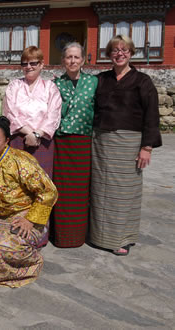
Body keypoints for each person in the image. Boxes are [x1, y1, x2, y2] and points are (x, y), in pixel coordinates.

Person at [0, 117, 58, 288]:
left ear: (7, 141)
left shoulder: (21, 161)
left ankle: (30, 266)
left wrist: (30, 219)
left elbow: (48, 191)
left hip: (25, 216)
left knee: (9, 247)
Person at [90, 35, 162, 256]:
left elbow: (151, 115)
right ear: (109, 54)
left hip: (129, 143)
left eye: (124, 50)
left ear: (131, 53)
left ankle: (121, 238)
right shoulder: (101, 79)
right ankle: (98, 236)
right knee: (100, 191)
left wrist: (146, 147)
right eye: (114, 50)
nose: (119, 54)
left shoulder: (142, 81)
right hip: (102, 142)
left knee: (123, 192)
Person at [51, 42, 98, 248]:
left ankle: (78, 236)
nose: (72, 61)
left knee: (80, 191)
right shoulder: (55, 84)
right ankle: (60, 236)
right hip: (61, 142)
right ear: (63, 61)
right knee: (62, 189)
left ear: (83, 60)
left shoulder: (93, 82)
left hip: (83, 142)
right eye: (68, 57)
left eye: (76, 57)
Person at [3, 46, 62, 178]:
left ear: (41, 64)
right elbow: (9, 112)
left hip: (42, 142)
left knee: (41, 183)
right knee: (17, 181)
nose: (28, 67)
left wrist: (36, 134)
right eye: (24, 63)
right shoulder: (14, 86)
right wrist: (29, 133)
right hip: (19, 139)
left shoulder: (50, 87)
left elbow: (53, 115)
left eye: (33, 63)